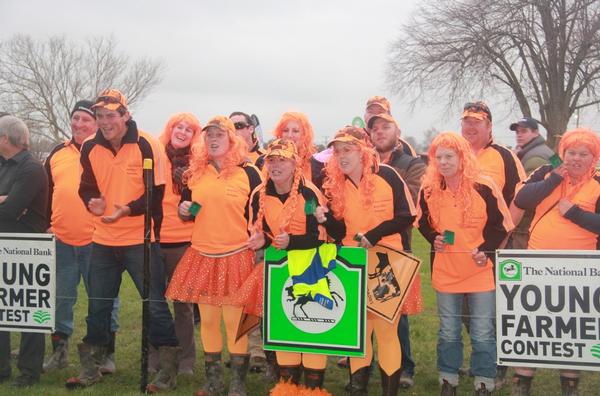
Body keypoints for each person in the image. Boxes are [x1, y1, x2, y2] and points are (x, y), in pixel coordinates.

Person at [66, 89, 180, 393]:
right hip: (103, 239)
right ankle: (93, 365)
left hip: (141, 238)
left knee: (154, 304)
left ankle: (167, 370)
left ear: (125, 115)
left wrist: (126, 210)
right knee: (98, 305)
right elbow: (86, 187)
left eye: (111, 116)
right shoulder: (90, 146)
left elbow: (156, 194)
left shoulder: (147, 144)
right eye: (100, 116)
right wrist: (93, 201)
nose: (105, 122)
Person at [166, 115, 262, 396]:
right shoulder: (194, 173)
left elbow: (259, 213)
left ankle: (237, 383)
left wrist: (259, 233)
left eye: (220, 135)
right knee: (207, 320)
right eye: (209, 136)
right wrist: (185, 211)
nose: (214, 139)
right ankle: (214, 380)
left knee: (235, 321)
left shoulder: (250, 173)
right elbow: (192, 210)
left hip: (237, 255)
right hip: (203, 255)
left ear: (232, 140)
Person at [317, 126, 416, 396]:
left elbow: (408, 216)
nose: (341, 156)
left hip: (387, 261)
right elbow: (339, 233)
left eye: (347, 150)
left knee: (386, 332)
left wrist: (375, 234)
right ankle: (358, 390)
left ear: (363, 151)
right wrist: (325, 219)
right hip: (351, 264)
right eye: (337, 152)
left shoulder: (388, 175)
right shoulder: (334, 185)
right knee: (357, 334)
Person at [416, 132, 513, 396]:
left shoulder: (484, 185)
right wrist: (434, 238)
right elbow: (423, 222)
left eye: (450, 156)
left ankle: (484, 380)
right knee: (448, 330)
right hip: (446, 272)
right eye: (439, 158)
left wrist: (487, 251)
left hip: (480, 271)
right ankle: (449, 379)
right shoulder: (428, 189)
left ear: (463, 157)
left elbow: (502, 224)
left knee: (482, 330)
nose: (444, 162)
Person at [511, 128, 600, 396]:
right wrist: (552, 180)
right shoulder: (549, 169)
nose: (575, 159)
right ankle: (522, 382)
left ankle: (569, 384)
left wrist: (574, 213)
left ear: (593, 157)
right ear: (562, 154)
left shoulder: (598, 181)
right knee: (531, 326)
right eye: (571, 153)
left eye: (583, 154)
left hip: (579, 270)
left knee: (570, 328)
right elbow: (522, 198)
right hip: (538, 265)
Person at [247, 138, 331, 395]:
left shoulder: (310, 193)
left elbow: (320, 235)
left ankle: (314, 389)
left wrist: (291, 241)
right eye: (271, 160)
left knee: (313, 329)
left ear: (295, 163)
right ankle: (287, 388)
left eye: (282, 160)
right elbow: (256, 230)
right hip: (278, 269)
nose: (275, 165)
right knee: (285, 329)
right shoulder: (258, 194)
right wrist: (260, 239)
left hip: (312, 268)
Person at [42, 100, 121, 374]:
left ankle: (105, 355)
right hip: (62, 241)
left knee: (103, 300)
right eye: (75, 118)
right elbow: (46, 192)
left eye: (85, 120)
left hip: (98, 242)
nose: (78, 124)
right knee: (61, 299)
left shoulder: (105, 151)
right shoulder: (57, 153)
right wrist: (46, 224)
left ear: (97, 124)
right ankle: (59, 352)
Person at [460, 101, 525, 387]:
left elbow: (519, 198)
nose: (470, 127)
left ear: (489, 127)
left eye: (477, 122)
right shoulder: (455, 154)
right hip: (460, 248)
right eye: (466, 122)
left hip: (493, 246)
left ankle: (497, 365)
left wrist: (502, 237)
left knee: (490, 309)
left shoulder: (504, 156)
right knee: (463, 310)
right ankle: (480, 359)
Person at [368, 112, 425, 388]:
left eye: (385, 127)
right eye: (375, 128)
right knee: (364, 316)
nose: (380, 132)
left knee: (394, 317)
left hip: (395, 249)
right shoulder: (361, 162)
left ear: (397, 130)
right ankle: (363, 370)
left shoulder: (411, 163)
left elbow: (410, 200)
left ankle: (404, 368)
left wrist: (372, 220)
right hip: (361, 251)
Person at [148, 112, 202, 376]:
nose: (182, 132)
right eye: (178, 127)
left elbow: (204, 203)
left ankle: (185, 361)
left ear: (195, 136)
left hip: (183, 241)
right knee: (154, 303)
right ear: (169, 129)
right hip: (153, 239)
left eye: (188, 129)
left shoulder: (198, 164)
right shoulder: (155, 156)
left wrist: (192, 209)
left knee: (183, 305)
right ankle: (155, 357)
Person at [0, 115, 48, 387]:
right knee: (2, 309)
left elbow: (11, 209)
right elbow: (8, 207)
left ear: (5, 138)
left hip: (29, 251)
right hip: (4, 246)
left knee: (29, 311)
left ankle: (29, 372)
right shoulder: (3, 163)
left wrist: (8, 202)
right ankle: (1, 368)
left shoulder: (31, 168)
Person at [229, 111, 267, 374]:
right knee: (242, 300)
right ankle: (247, 349)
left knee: (264, 297)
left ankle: (265, 349)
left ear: (252, 129)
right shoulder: (225, 161)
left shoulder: (266, 159)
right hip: (234, 241)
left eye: (240, 125)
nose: (236, 130)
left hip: (263, 239)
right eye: (230, 127)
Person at [509, 116, 555, 249]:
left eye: (524, 131)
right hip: (544, 221)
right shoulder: (548, 151)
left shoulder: (534, 158)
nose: (519, 135)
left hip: (527, 227)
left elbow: (525, 196)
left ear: (536, 132)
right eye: (517, 132)